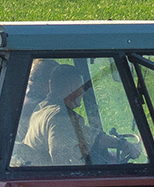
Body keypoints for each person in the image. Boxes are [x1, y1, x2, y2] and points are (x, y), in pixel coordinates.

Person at [14, 59, 142, 167]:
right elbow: (62, 162)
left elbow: (87, 134)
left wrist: (119, 144)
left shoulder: (43, 108)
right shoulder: (59, 116)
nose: (83, 94)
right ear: (71, 88)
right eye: (81, 88)